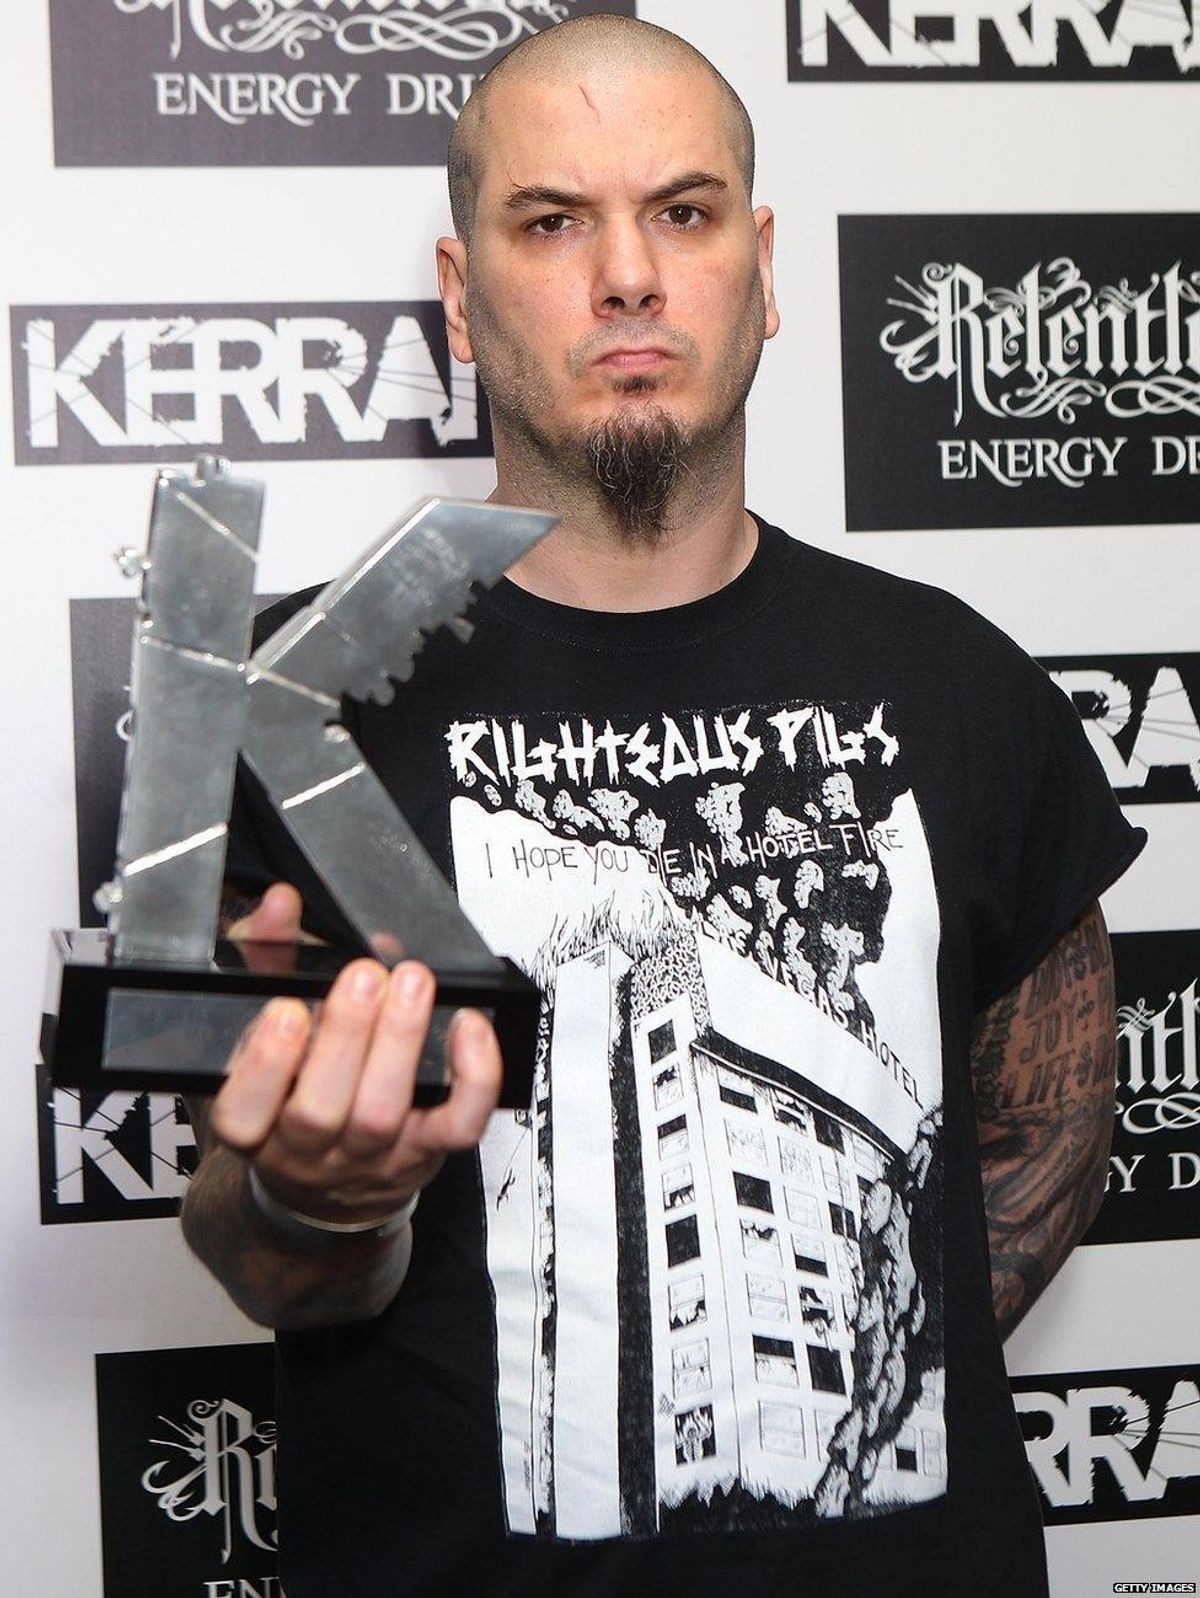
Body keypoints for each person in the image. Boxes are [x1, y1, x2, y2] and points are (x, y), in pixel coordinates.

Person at [181, 16, 1144, 1596]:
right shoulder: (294, 709)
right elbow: (250, 1244)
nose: (627, 275)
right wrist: (322, 1200)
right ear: (460, 295)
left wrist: (845, 1377)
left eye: (683, 214)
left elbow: (1043, 1135)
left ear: (761, 269)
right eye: (553, 222)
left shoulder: (962, 679)